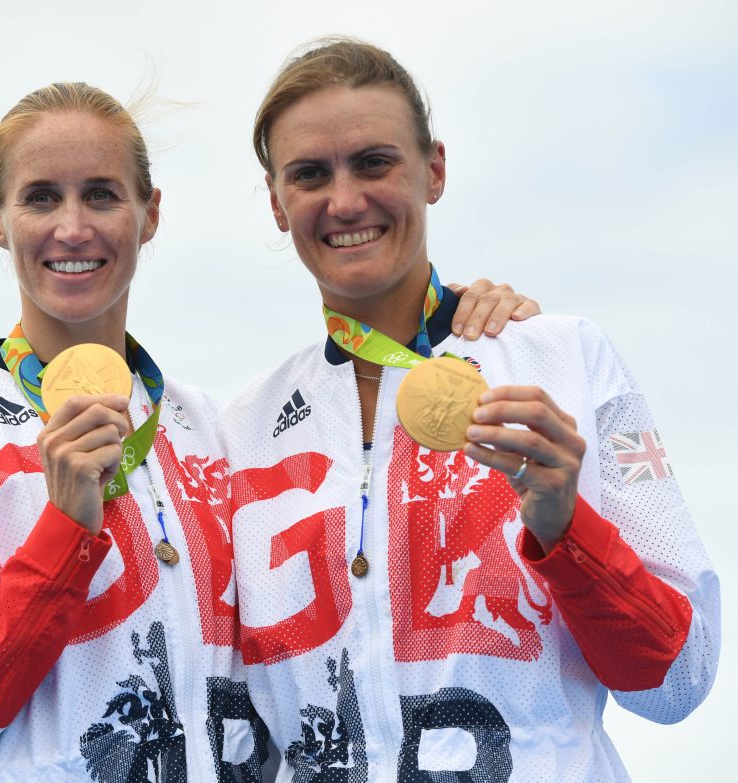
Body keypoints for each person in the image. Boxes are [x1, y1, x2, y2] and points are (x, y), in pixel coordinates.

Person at [0, 82, 537, 782]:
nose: (74, 226)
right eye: (41, 197)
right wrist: (59, 538)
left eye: (104, 194)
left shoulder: (219, 430)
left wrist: (462, 317)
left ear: (150, 215)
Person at [220, 38, 720, 782]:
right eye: (310, 174)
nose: (346, 199)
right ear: (276, 202)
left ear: (435, 170)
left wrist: (566, 528)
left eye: (375, 161)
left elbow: (679, 678)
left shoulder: (563, 360)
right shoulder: (241, 429)